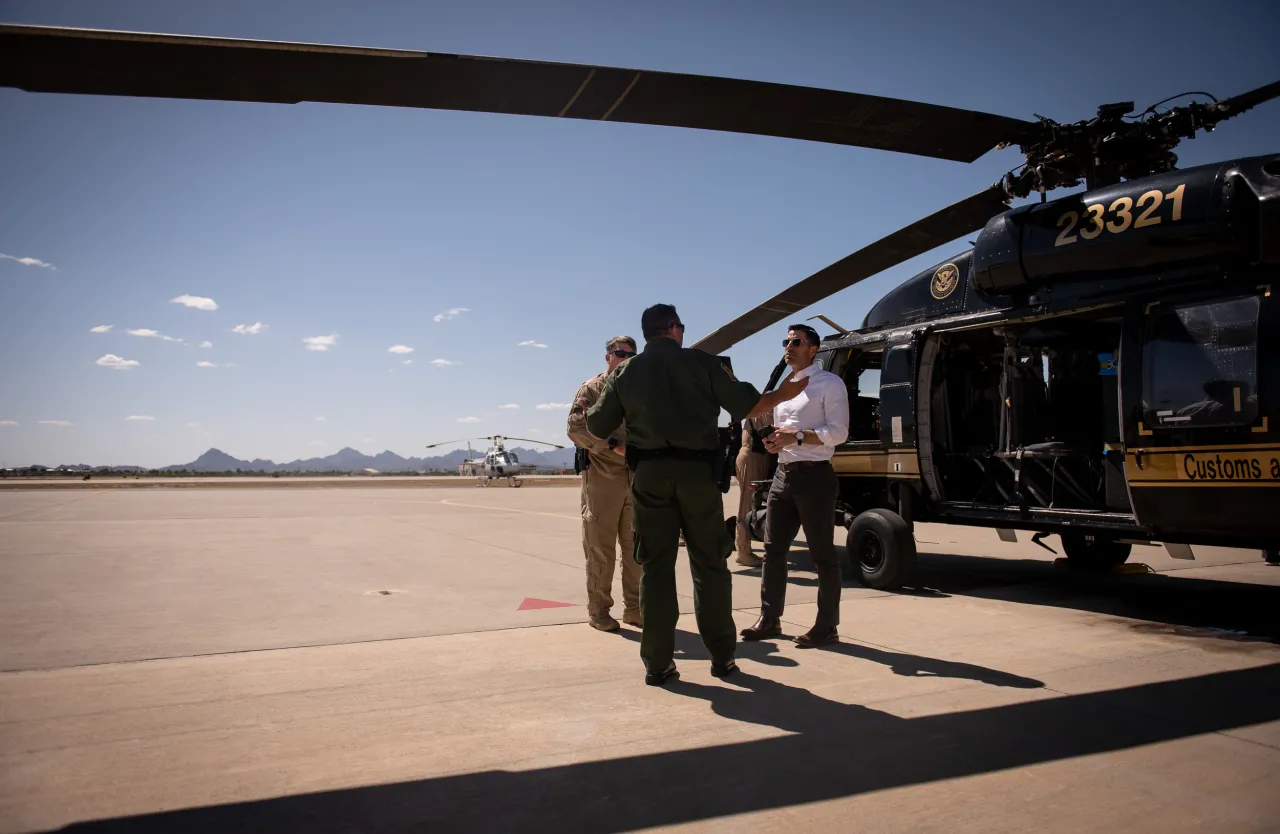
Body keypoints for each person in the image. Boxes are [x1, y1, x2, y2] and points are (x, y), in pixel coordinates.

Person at [586, 303, 809, 686]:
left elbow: (596, 424)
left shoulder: (626, 371)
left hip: (649, 477)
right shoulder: (703, 364)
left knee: (655, 568)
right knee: (709, 565)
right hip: (698, 477)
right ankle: (722, 658)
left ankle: (658, 664)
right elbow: (748, 404)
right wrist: (781, 394)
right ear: (673, 329)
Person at [741, 323, 849, 649]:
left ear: (812, 349)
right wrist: (776, 442)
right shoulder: (784, 390)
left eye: (796, 341)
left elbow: (839, 433)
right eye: (786, 341)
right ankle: (769, 618)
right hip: (783, 475)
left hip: (815, 476)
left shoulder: (829, 384)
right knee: (773, 550)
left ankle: (827, 626)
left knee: (822, 555)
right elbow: (784, 432)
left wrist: (797, 437)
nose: (789, 346)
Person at [566, 336, 641, 631]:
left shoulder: (638, 391)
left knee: (635, 549)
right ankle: (599, 611)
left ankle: (634, 609)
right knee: (600, 549)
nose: (625, 359)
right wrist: (612, 446)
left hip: (634, 478)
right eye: (620, 354)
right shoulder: (592, 389)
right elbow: (575, 428)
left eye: (631, 356)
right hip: (602, 478)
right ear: (608, 356)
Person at [734, 412, 775, 568]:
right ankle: (743, 551)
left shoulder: (760, 408)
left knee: (750, 502)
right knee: (747, 504)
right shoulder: (764, 410)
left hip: (756, 457)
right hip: (753, 458)